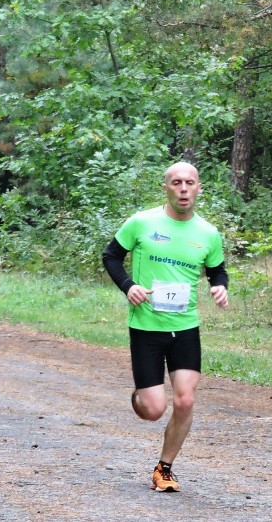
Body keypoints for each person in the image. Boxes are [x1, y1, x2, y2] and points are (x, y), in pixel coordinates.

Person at [102, 161, 229, 493]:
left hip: (185, 328)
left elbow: (217, 271)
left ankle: (165, 468)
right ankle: (143, 396)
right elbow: (110, 256)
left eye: (189, 182)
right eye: (176, 183)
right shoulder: (142, 222)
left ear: (199, 188)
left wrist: (220, 287)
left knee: (185, 400)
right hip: (146, 326)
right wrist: (129, 285)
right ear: (166, 188)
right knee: (154, 409)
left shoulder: (208, 233)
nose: (183, 189)